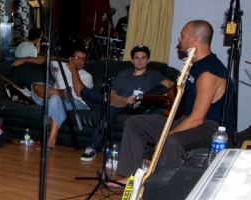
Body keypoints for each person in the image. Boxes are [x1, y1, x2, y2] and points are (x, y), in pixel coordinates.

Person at [114, 20, 231, 183]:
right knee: (135, 123)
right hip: (186, 118)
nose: (179, 39)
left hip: (208, 126)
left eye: (182, 35)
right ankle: (132, 178)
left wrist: (165, 137)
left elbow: (197, 119)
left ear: (194, 40)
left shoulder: (209, 72)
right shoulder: (194, 65)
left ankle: (156, 185)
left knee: (171, 141)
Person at [79, 45, 175, 161]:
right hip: (115, 100)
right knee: (84, 91)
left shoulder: (153, 75)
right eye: (137, 58)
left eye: (143, 58)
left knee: (110, 108)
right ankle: (105, 105)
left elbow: (171, 84)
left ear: (148, 60)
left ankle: (91, 148)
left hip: (129, 106)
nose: (140, 61)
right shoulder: (124, 74)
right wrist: (122, 98)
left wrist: (171, 93)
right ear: (132, 60)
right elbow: (112, 93)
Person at [30, 47, 93, 151]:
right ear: (70, 58)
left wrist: (74, 70)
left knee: (55, 98)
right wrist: (23, 60)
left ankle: (51, 141)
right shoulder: (61, 66)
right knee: (36, 86)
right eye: (77, 57)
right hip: (57, 97)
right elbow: (46, 60)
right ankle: (61, 92)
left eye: (82, 59)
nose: (80, 61)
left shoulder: (87, 76)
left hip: (77, 103)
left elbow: (79, 92)